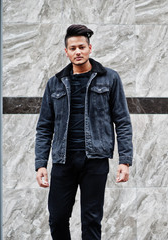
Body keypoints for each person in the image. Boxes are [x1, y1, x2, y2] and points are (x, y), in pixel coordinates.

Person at [34, 24, 133, 240]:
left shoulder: (110, 78)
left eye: (81, 47)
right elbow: (44, 127)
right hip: (63, 160)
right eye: (73, 48)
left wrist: (124, 161)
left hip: (95, 160)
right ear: (66, 52)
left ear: (90, 48)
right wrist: (41, 164)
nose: (77, 52)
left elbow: (122, 121)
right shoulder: (55, 83)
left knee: (91, 220)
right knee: (57, 218)